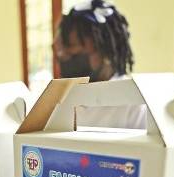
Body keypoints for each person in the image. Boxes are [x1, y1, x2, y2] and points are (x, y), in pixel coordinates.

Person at [55, 0, 145, 128]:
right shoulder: (60, 100)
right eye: (59, 51)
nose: (62, 58)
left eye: (72, 50)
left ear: (106, 52)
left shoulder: (135, 104)